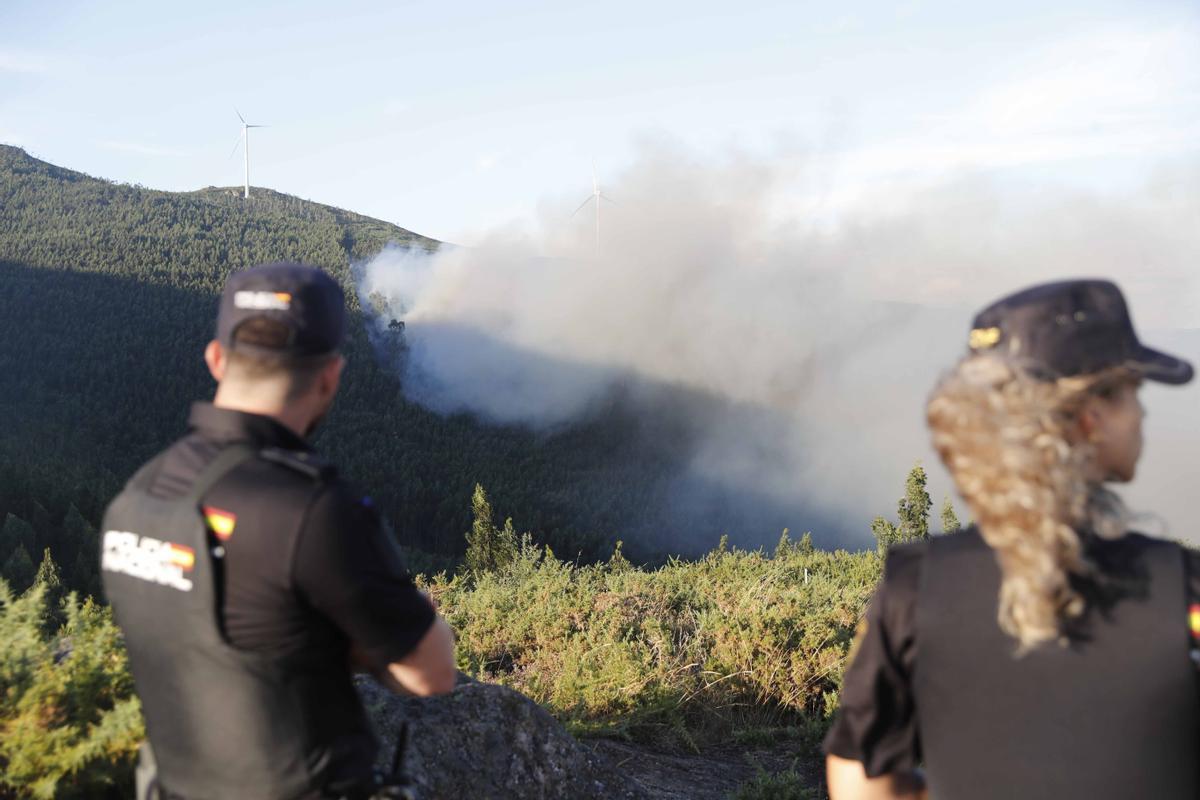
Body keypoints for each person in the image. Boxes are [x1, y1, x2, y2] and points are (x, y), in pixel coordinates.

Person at [822, 279, 1197, 800]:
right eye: (1133, 391)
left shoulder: (916, 587)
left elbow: (861, 777)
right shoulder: (1185, 592)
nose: (1144, 412)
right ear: (1091, 419)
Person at [101, 262, 457, 800]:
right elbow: (431, 673)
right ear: (330, 376)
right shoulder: (314, 511)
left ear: (216, 359)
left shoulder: (137, 496)